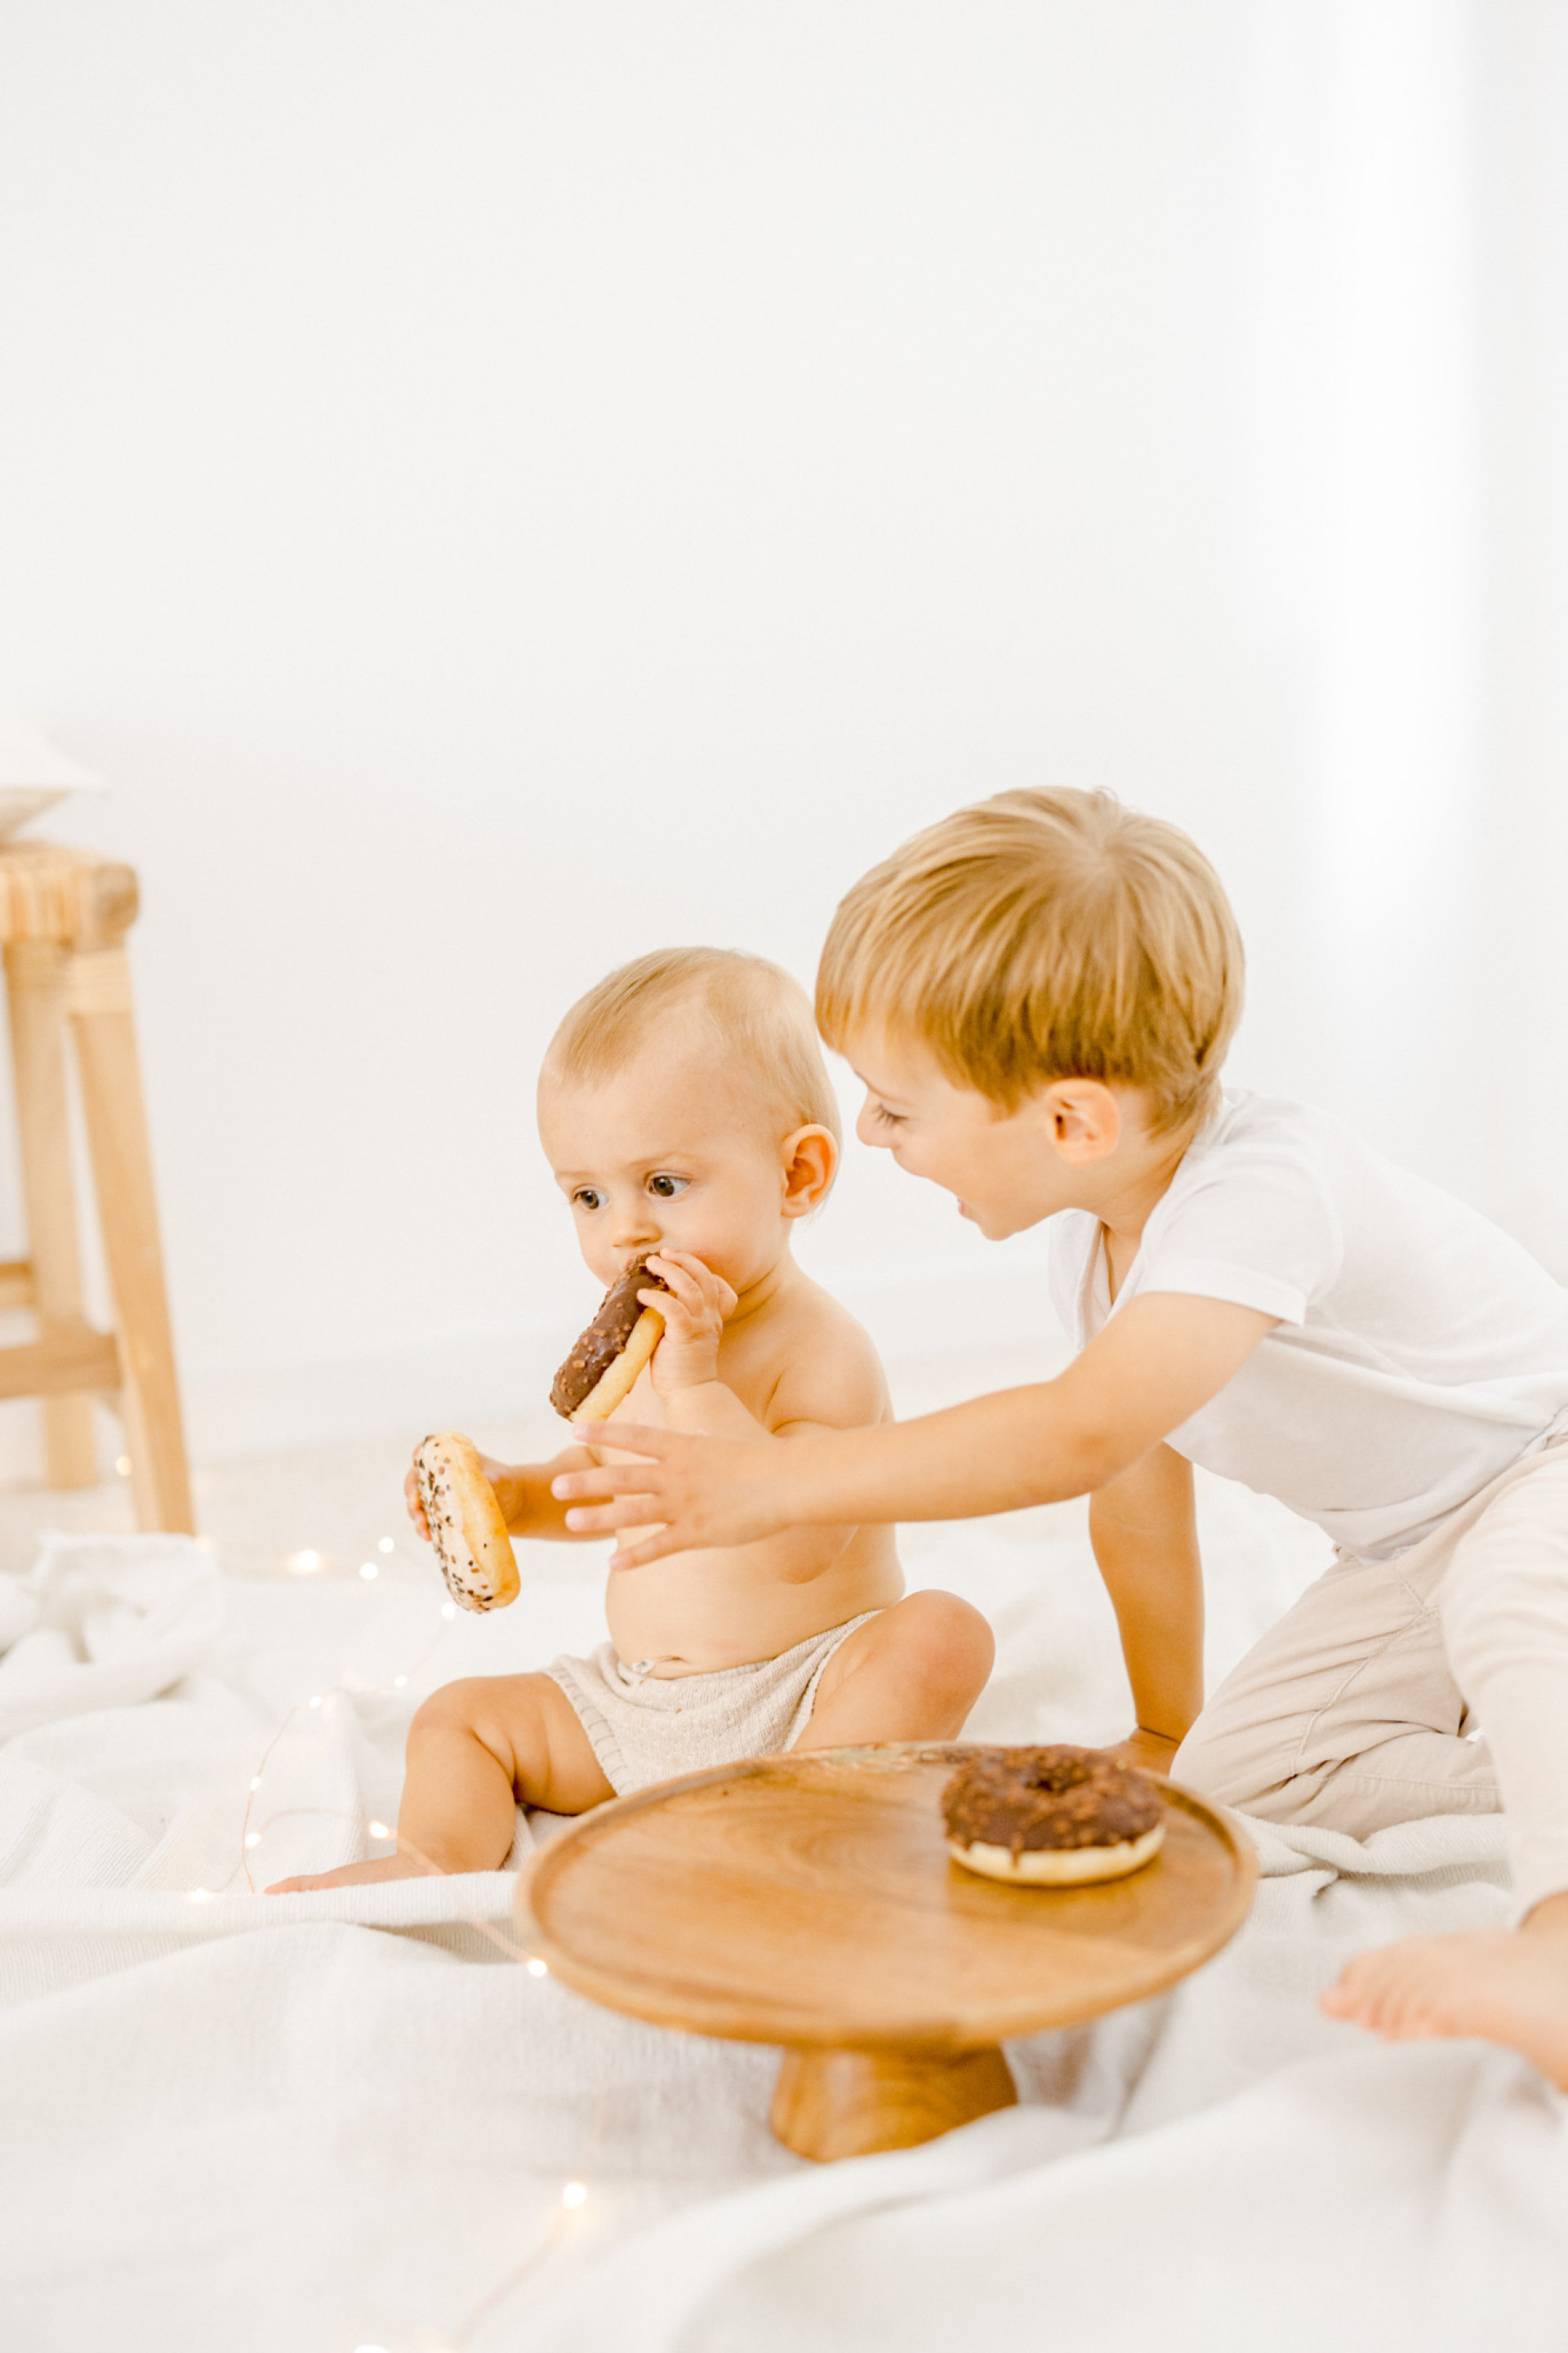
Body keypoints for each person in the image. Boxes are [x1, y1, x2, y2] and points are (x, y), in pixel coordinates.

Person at [550, 790, 1568, 2090]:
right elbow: (1138, 1493)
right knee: (1239, 1790)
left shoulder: (1264, 1193)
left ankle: (1554, 1946)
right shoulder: (1095, 1257)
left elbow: (1077, 1435)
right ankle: (1515, 1775)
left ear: (1073, 1123)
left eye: (900, 1107)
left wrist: (773, 1479)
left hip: (1545, 1470)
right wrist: (1159, 1724)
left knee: (1519, 1610)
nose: (869, 1132)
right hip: (1407, 1548)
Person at [270, 947, 991, 1892]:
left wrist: (698, 1386)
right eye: (588, 1195)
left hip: (804, 1691)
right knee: (458, 1715)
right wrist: (510, 1495)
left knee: (941, 1633)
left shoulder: (822, 1350)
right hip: (636, 1703)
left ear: (799, 1175)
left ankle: (787, 1826)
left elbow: (802, 1545)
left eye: (663, 1185)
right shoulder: (636, 1351)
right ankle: (432, 1862)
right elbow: (603, 1496)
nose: (624, 1232)